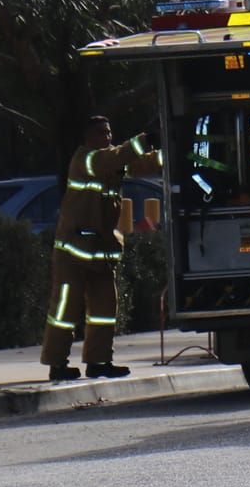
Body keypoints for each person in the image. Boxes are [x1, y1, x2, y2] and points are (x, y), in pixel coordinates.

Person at [40, 116, 161, 381]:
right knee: (65, 311)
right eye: (101, 133)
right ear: (88, 137)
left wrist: (170, 149)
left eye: (109, 132)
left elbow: (142, 163)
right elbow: (116, 158)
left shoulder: (111, 160)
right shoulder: (86, 160)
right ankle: (57, 364)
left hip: (100, 253)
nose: (107, 137)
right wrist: (146, 139)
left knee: (104, 311)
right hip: (73, 252)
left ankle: (99, 362)